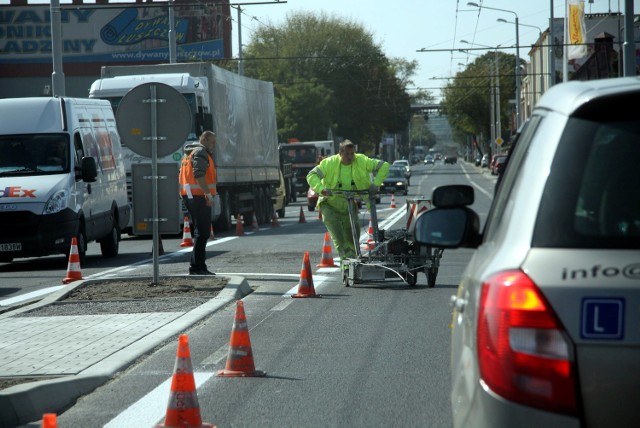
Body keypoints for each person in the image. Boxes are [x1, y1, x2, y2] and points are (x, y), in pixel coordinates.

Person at [306, 139, 389, 261]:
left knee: (353, 235)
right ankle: (345, 263)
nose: (350, 157)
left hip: (349, 206)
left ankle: (354, 263)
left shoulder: (361, 160)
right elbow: (311, 175)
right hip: (330, 205)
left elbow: (384, 166)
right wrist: (321, 189)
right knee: (339, 237)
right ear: (340, 153)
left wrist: (375, 184)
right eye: (347, 154)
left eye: (352, 154)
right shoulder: (329, 163)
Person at [179, 130, 218, 275]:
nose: (214, 145)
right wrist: (207, 194)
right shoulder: (200, 152)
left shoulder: (189, 153)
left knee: (201, 232)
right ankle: (196, 267)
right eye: (213, 142)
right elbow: (198, 174)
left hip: (191, 195)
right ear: (205, 139)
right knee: (203, 232)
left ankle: (199, 266)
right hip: (198, 196)